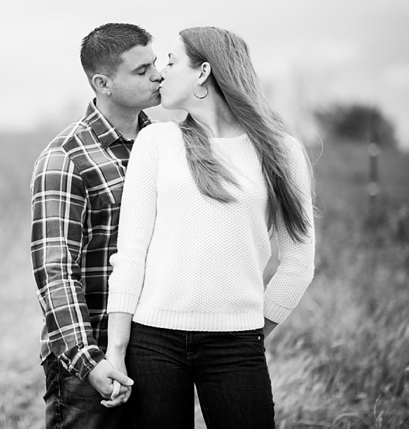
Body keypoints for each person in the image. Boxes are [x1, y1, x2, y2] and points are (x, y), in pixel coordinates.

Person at [103, 26, 316, 428]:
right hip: (153, 341)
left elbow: (299, 262)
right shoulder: (157, 143)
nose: (161, 73)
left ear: (202, 72)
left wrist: (252, 332)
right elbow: (130, 252)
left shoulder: (282, 152)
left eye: (170, 61)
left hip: (237, 344)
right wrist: (117, 349)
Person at [30, 22, 162, 428]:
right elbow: (56, 271)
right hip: (91, 361)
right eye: (141, 71)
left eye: (156, 64)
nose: (158, 75)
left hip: (159, 352)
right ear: (103, 83)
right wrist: (89, 361)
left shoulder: (166, 147)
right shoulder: (66, 158)